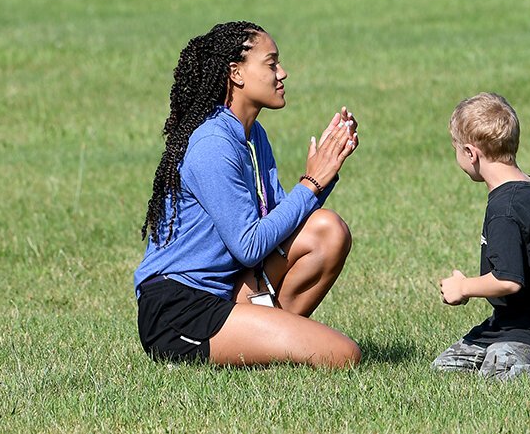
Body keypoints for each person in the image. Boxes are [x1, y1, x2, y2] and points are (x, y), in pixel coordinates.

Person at [134, 21, 361, 368]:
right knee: (343, 356)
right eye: (271, 64)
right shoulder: (212, 144)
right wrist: (310, 183)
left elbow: (277, 225)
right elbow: (249, 245)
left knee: (326, 230)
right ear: (236, 73)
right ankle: (272, 342)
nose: (282, 73)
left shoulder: (254, 135)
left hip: (228, 288)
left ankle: (268, 339)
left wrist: (324, 172)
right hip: (179, 310)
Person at [432, 92, 530, 380]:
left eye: (456, 149)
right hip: (512, 322)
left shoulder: (504, 210)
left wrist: (464, 286)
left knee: (498, 374)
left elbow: (508, 281)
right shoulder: (526, 186)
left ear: (471, 153)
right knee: (446, 368)